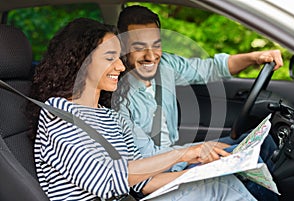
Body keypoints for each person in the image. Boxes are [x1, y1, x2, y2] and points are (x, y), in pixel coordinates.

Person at [30, 18, 256, 201]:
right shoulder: (58, 115)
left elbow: (142, 182)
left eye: (119, 58)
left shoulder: (111, 117)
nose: (120, 66)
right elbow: (106, 181)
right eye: (110, 58)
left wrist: (197, 173)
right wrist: (184, 153)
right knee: (216, 191)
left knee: (218, 184)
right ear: (81, 62)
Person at [114, 5, 281, 201]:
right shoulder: (118, 97)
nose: (151, 56)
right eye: (139, 47)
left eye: (156, 45)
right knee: (245, 164)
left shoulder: (166, 65)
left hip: (180, 157)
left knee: (264, 144)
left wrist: (255, 57)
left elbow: (212, 68)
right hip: (158, 175)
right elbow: (146, 160)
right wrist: (195, 153)